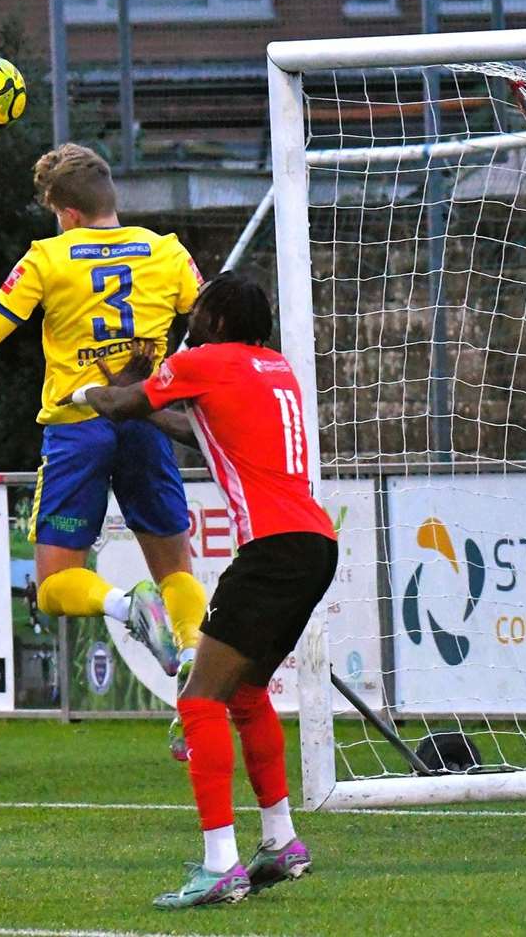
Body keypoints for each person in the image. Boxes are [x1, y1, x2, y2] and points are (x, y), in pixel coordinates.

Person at [0, 142, 209, 758]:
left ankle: (124, 603)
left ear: (64, 212)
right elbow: (212, 329)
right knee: (176, 570)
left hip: (77, 424)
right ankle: (192, 656)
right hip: (147, 419)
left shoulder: (47, 258)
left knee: (56, 584)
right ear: (110, 198)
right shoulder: (168, 253)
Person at [71, 272, 335, 909]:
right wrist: (143, 397)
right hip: (315, 544)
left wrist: (85, 390)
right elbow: (207, 430)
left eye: (197, 312)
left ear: (216, 321)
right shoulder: (274, 367)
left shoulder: (203, 359)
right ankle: (281, 841)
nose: (189, 321)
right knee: (244, 694)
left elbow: (125, 407)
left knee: (199, 701)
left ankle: (222, 863)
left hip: (271, 549)